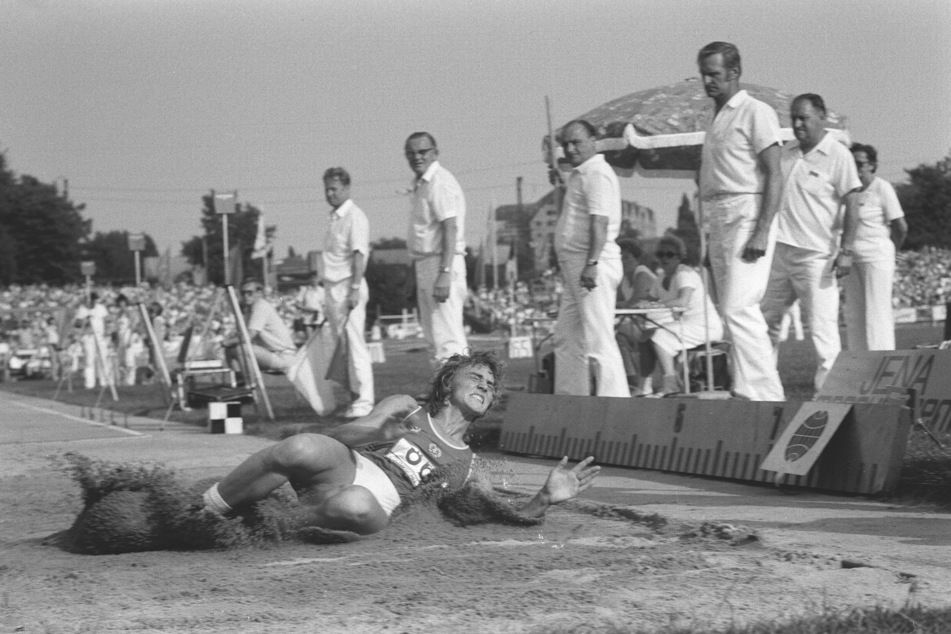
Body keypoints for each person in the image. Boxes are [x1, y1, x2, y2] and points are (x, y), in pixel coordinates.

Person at [201, 351, 600, 535]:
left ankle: (267, 527)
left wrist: (544, 498)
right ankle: (205, 511)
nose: (485, 385)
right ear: (448, 383)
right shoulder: (406, 408)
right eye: (476, 377)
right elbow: (337, 438)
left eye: (491, 386)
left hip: (379, 507)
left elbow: (494, 516)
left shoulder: (471, 466)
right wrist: (377, 433)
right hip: (348, 465)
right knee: (299, 447)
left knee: (352, 502)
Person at [697, 41, 785, 401]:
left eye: (714, 74)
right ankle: (746, 390)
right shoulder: (714, 119)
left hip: (747, 211)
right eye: (703, 74)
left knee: (740, 307)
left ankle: (768, 397)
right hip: (717, 215)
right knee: (729, 312)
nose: (707, 81)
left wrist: (763, 229)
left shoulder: (755, 111)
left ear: (734, 72)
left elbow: (775, 175)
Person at [760, 94, 860, 391]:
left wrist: (847, 251)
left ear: (821, 116)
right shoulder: (786, 152)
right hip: (778, 251)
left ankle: (831, 396)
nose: (797, 124)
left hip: (817, 257)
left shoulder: (838, 155)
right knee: (765, 324)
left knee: (822, 329)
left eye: (803, 117)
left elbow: (853, 205)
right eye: (793, 118)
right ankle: (763, 393)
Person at [551, 120, 629, 397]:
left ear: (593, 141)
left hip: (592, 264)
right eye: (566, 144)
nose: (570, 149)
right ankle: (572, 398)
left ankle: (616, 402)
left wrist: (592, 264)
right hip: (575, 266)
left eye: (577, 142)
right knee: (566, 337)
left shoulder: (597, 173)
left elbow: (600, 223)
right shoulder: (580, 175)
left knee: (599, 341)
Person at [405, 132, 469, 366]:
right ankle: (443, 394)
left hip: (442, 261)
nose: (417, 157)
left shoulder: (439, 182)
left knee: (447, 337)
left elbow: (450, 228)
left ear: (435, 152)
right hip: (425, 262)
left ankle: (459, 397)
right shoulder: (421, 185)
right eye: (411, 153)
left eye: (422, 152)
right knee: (434, 337)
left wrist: (444, 272)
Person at [636, 235, 723, 397]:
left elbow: (683, 301)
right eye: (660, 254)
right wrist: (641, 303)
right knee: (645, 336)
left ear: (679, 257)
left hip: (705, 327)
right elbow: (648, 300)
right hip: (686, 325)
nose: (664, 258)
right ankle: (644, 388)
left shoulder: (685, 274)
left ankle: (671, 386)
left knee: (659, 336)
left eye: (669, 255)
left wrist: (656, 304)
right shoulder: (661, 278)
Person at [841, 143, 908, 351]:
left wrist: (892, 249)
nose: (856, 168)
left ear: (872, 165)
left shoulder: (882, 188)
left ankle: (882, 361)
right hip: (852, 257)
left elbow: (901, 227)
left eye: (860, 164)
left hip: (877, 256)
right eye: (852, 164)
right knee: (854, 314)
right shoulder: (848, 191)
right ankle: (860, 363)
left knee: (877, 313)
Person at [321, 167, 375, 419]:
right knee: (343, 348)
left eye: (335, 189)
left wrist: (354, 288)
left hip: (348, 286)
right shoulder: (334, 218)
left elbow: (359, 255)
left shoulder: (355, 216)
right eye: (327, 189)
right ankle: (354, 399)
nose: (330, 193)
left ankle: (365, 401)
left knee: (355, 345)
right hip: (332, 287)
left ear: (346, 188)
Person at [224, 280, 297, 375]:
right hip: (270, 354)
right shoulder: (249, 310)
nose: (246, 296)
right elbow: (243, 335)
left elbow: (249, 335)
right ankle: (238, 381)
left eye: (249, 293)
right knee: (231, 349)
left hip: (284, 355)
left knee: (241, 349)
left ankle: (251, 385)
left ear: (259, 293)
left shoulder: (261, 306)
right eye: (243, 293)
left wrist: (225, 342)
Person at [614, 238, 658, 392]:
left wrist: (618, 305)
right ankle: (630, 376)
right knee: (616, 337)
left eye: (627, 257)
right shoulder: (623, 278)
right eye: (620, 258)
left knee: (614, 334)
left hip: (653, 324)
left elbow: (635, 300)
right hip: (637, 322)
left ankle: (632, 378)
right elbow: (618, 301)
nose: (623, 261)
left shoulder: (642, 273)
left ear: (636, 258)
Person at [74, 292, 111, 389]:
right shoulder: (82, 309)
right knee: (89, 360)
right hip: (88, 336)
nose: (94, 302)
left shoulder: (101, 307)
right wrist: (85, 319)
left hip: (100, 335)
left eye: (95, 300)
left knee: (103, 358)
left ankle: (104, 381)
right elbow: (77, 323)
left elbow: (107, 320)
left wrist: (107, 332)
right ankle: (90, 383)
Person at [294, 272, 326, 336]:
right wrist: (306, 309)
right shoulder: (304, 290)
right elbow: (297, 304)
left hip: (319, 319)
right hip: (307, 319)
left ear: (319, 279)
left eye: (316, 278)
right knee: (310, 340)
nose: (314, 280)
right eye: (312, 278)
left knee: (319, 340)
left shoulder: (322, 291)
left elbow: (324, 305)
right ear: (309, 279)